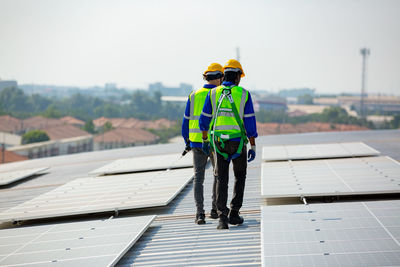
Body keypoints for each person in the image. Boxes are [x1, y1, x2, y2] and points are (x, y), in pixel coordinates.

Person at [199, 59, 257, 229]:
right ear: (238, 76)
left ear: (224, 75)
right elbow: (250, 123)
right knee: (240, 176)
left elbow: (204, 120)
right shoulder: (244, 94)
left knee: (221, 178)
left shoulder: (213, 93)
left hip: (218, 143)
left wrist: (204, 141)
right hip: (238, 143)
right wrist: (253, 145)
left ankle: (222, 218)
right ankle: (234, 213)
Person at [181, 63, 223, 224]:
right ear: (220, 78)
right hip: (213, 141)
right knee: (218, 176)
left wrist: (187, 141)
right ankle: (214, 210)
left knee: (198, 179)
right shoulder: (218, 94)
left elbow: (186, 121)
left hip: (196, 143)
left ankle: (199, 214)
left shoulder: (194, 95)